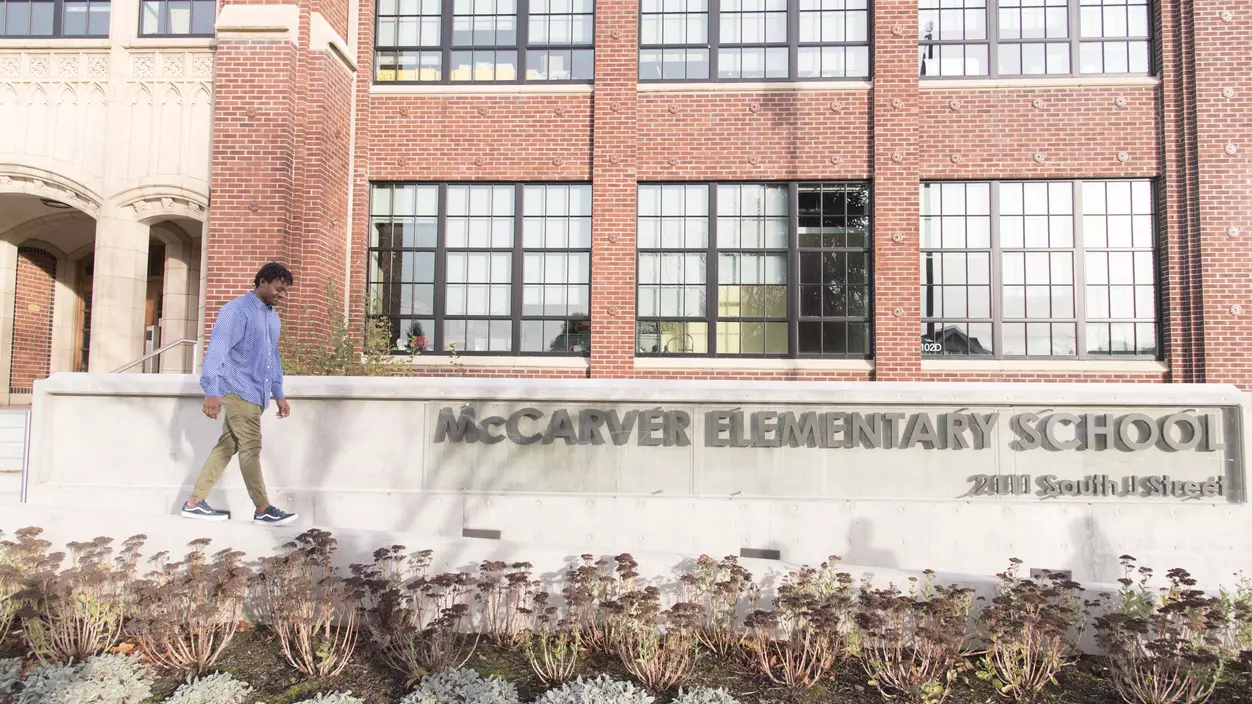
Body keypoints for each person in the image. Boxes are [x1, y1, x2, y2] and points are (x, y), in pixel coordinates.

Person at [180, 262, 299, 526]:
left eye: (286, 291)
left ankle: (195, 502)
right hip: (238, 389)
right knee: (251, 447)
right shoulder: (236, 311)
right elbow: (216, 352)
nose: (283, 295)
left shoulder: (271, 317)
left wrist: (278, 393)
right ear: (263, 282)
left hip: (257, 393)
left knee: (226, 447)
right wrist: (211, 391)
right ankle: (262, 508)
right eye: (279, 289)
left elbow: (273, 358)